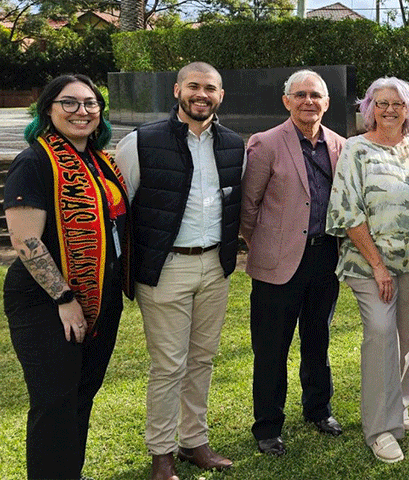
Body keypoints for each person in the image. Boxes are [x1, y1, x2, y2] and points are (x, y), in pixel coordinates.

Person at [115, 62, 244, 480]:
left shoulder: (233, 144)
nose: (201, 94)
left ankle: (194, 442)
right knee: (169, 365)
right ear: (177, 90)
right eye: (194, 86)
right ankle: (162, 453)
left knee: (202, 360)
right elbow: (122, 209)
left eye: (210, 87)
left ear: (220, 95)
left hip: (215, 268)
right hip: (166, 268)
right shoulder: (140, 142)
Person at [4, 74, 128, 480]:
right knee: (54, 401)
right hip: (48, 302)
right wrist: (64, 299)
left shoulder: (98, 160)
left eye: (90, 104)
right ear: (48, 110)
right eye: (69, 103)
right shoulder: (35, 161)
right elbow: (26, 243)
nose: (82, 112)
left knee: (80, 397)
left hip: (98, 297)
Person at [326, 77, 409, 464]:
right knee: (381, 334)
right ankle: (380, 429)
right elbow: (347, 210)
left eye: (398, 104)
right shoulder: (355, 149)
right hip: (369, 264)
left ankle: (399, 408)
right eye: (381, 103)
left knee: (405, 337)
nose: (389, 110)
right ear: (369, 107)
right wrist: (377, 265)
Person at [240, 70, 346, 457]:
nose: (308, 101)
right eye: (299, 94)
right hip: (276, 264)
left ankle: (319, 409)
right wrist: (266, 246)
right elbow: (248, 207)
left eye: (315, 95)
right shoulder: (265, 143)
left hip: (324, 260)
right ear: (286, 101)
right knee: (271, 349)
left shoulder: (340, 145)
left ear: (327, 102)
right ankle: (268, 426)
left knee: (317, 341)